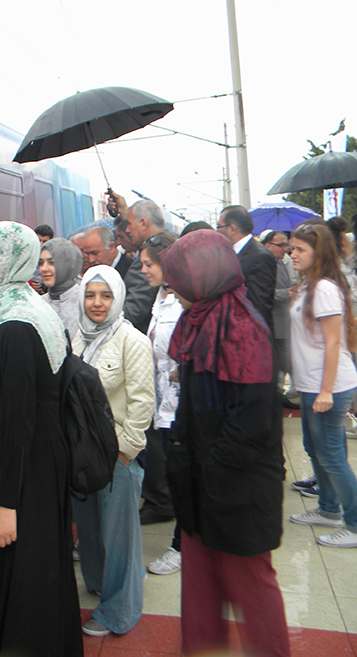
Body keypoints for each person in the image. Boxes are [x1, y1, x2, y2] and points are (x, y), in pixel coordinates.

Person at [160, 229, 289, 656]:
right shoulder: (200, 320)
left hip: (238, 487)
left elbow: (251, 423)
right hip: (201, 479)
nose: (172, 290)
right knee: (200, 583)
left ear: (203, 278)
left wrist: (210, 471)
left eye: (178, 281)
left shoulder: (244, 329)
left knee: (249, 583)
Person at [0, 221, 81, 657]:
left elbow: (16, 421)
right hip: (45, 457)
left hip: (25, 467)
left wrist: (6, 505)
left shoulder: (13, 325)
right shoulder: (34, 306)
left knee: (24, 568)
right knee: (43, 564)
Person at [71, 265, 153, 637]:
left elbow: (141, 404)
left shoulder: (131, 341)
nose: (97, 303)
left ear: (118, 297)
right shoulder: (77, 337)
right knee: (88, 529)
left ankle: (119, 611)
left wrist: (125, 453)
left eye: (105, 295)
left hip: (115, 456)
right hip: (82, 453)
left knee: (119, 539)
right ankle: (99, 584)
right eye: (90, 295)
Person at [287, 222, 357, 548]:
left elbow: (333, 343)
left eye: (300, 249)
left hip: (328, 384)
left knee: (331, 456)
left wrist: (327, 391)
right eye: (292, 247)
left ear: (319, 252)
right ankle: (329, 509)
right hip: (312, 383)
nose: (292, 253)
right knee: (315, 449)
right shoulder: (308, 285)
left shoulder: (325, 288)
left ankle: (354, 523)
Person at [137, 233, 186, 575]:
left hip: (180, 407)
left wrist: (181, 371)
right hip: (164, 407)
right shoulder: (161, 297)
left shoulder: (184, 301)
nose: (143, 270)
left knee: (184, 479)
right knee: (177, 475)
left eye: (148, 264)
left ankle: (183, 547)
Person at [216, 205, 276, 331]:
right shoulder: (229, 252)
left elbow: (260, 307)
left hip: (249, 337)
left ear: (232, 229)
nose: (217, 232)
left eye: (219, 227)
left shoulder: (259, 256)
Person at [261, 231, 296, 405]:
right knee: (279, 362)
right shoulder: (263, 264)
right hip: (274, 322)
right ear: (267, 245)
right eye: (280, 245)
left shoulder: (281, 262)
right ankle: (276, 397)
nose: (285, 249)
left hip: (284, 320)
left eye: (286, 245)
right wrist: (286, 293)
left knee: (284, 361)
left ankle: (279, 395)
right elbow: (262, 292)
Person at [122, 199, 166, 333]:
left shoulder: (149, 254)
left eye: (129, 224)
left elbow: (135, 310)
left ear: (143, 223)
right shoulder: (171, 241)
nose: (127, 230)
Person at [38, 237, 83, 338]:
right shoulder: (38, 303)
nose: (44, 269)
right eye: (41, 263)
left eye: (52, 262)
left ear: (68, 264)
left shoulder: (86, 301)